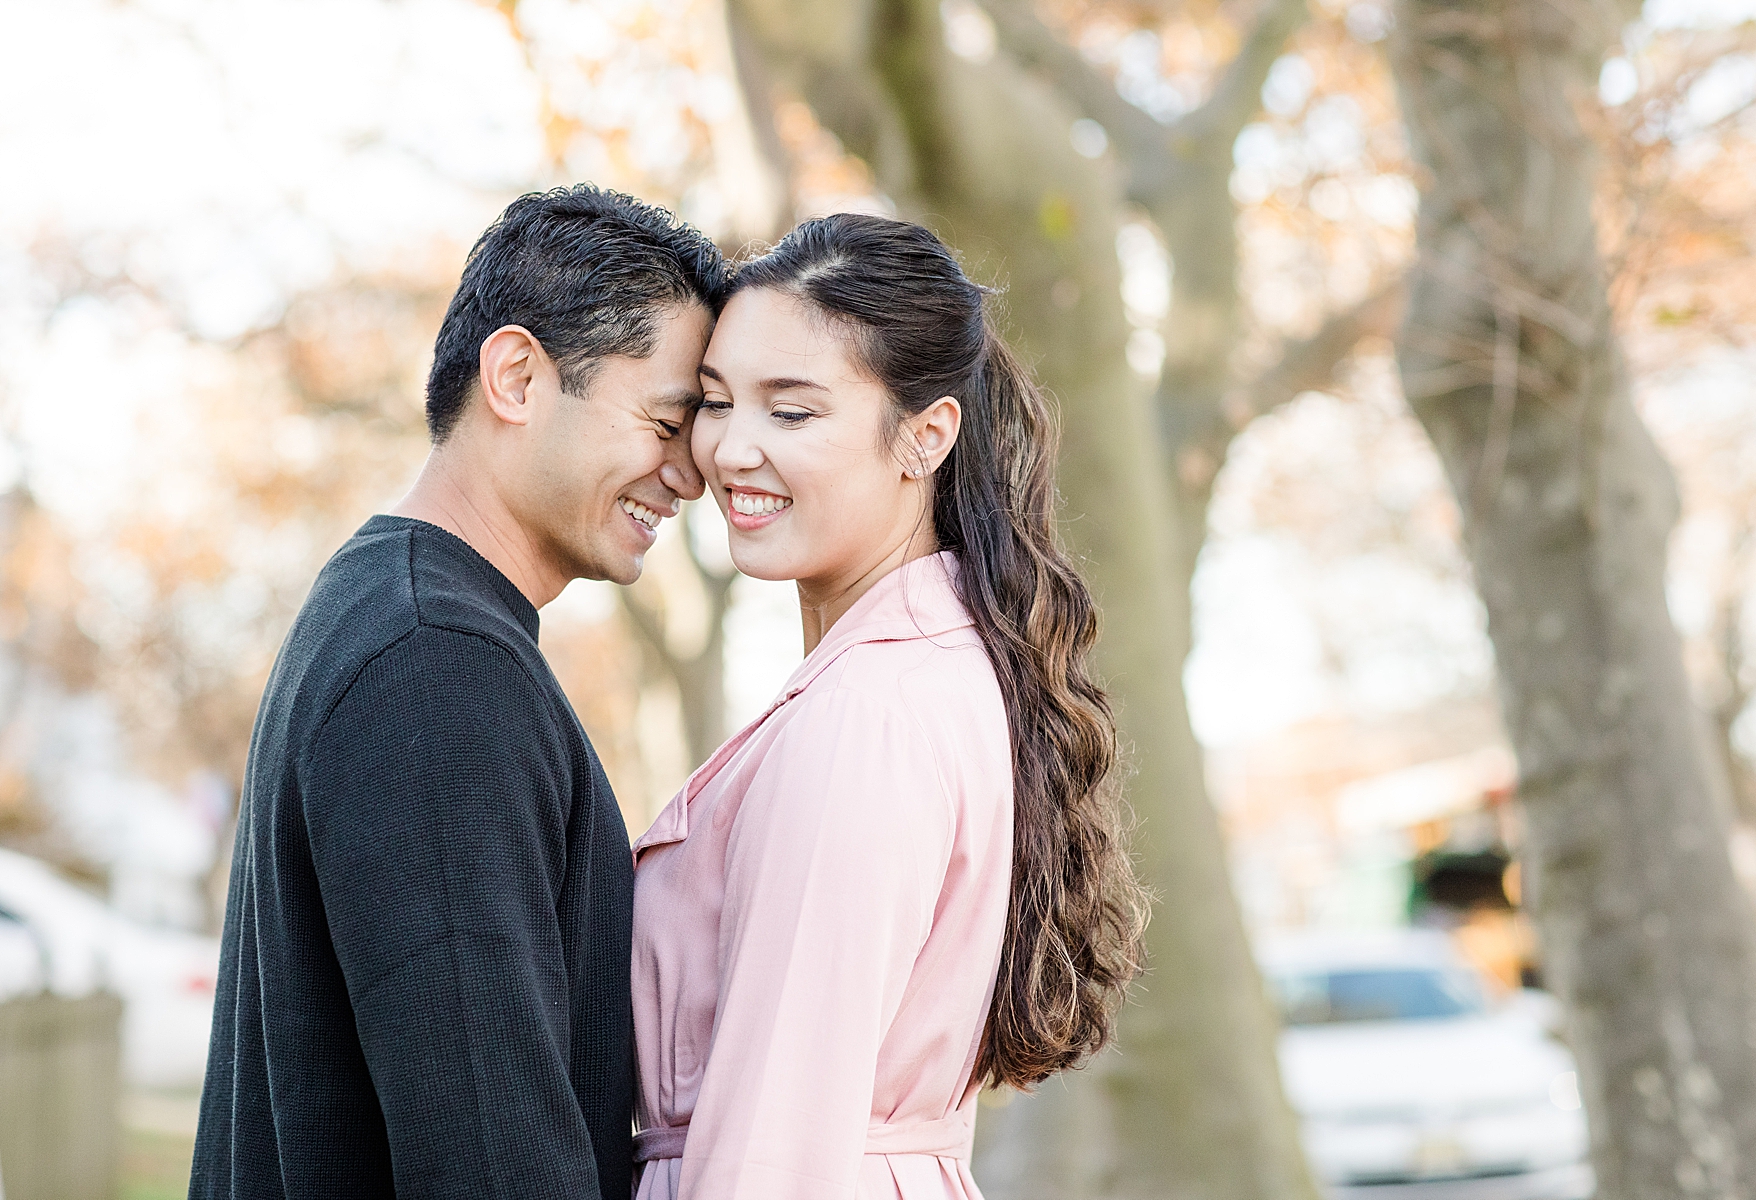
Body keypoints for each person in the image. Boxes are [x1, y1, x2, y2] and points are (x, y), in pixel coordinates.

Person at [190, 186, 726, 1200]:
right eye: (666, 421)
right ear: (518, 376)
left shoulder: (399, 618)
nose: (688, 476)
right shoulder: (435, 666)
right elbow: (489, 1156)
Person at [630, 213, 1150, 1200]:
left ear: (925, 436)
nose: (731, 450)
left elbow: (773, 1159)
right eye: (714, 403)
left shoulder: (867, 718)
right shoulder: (928, 674)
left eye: (791, 412)